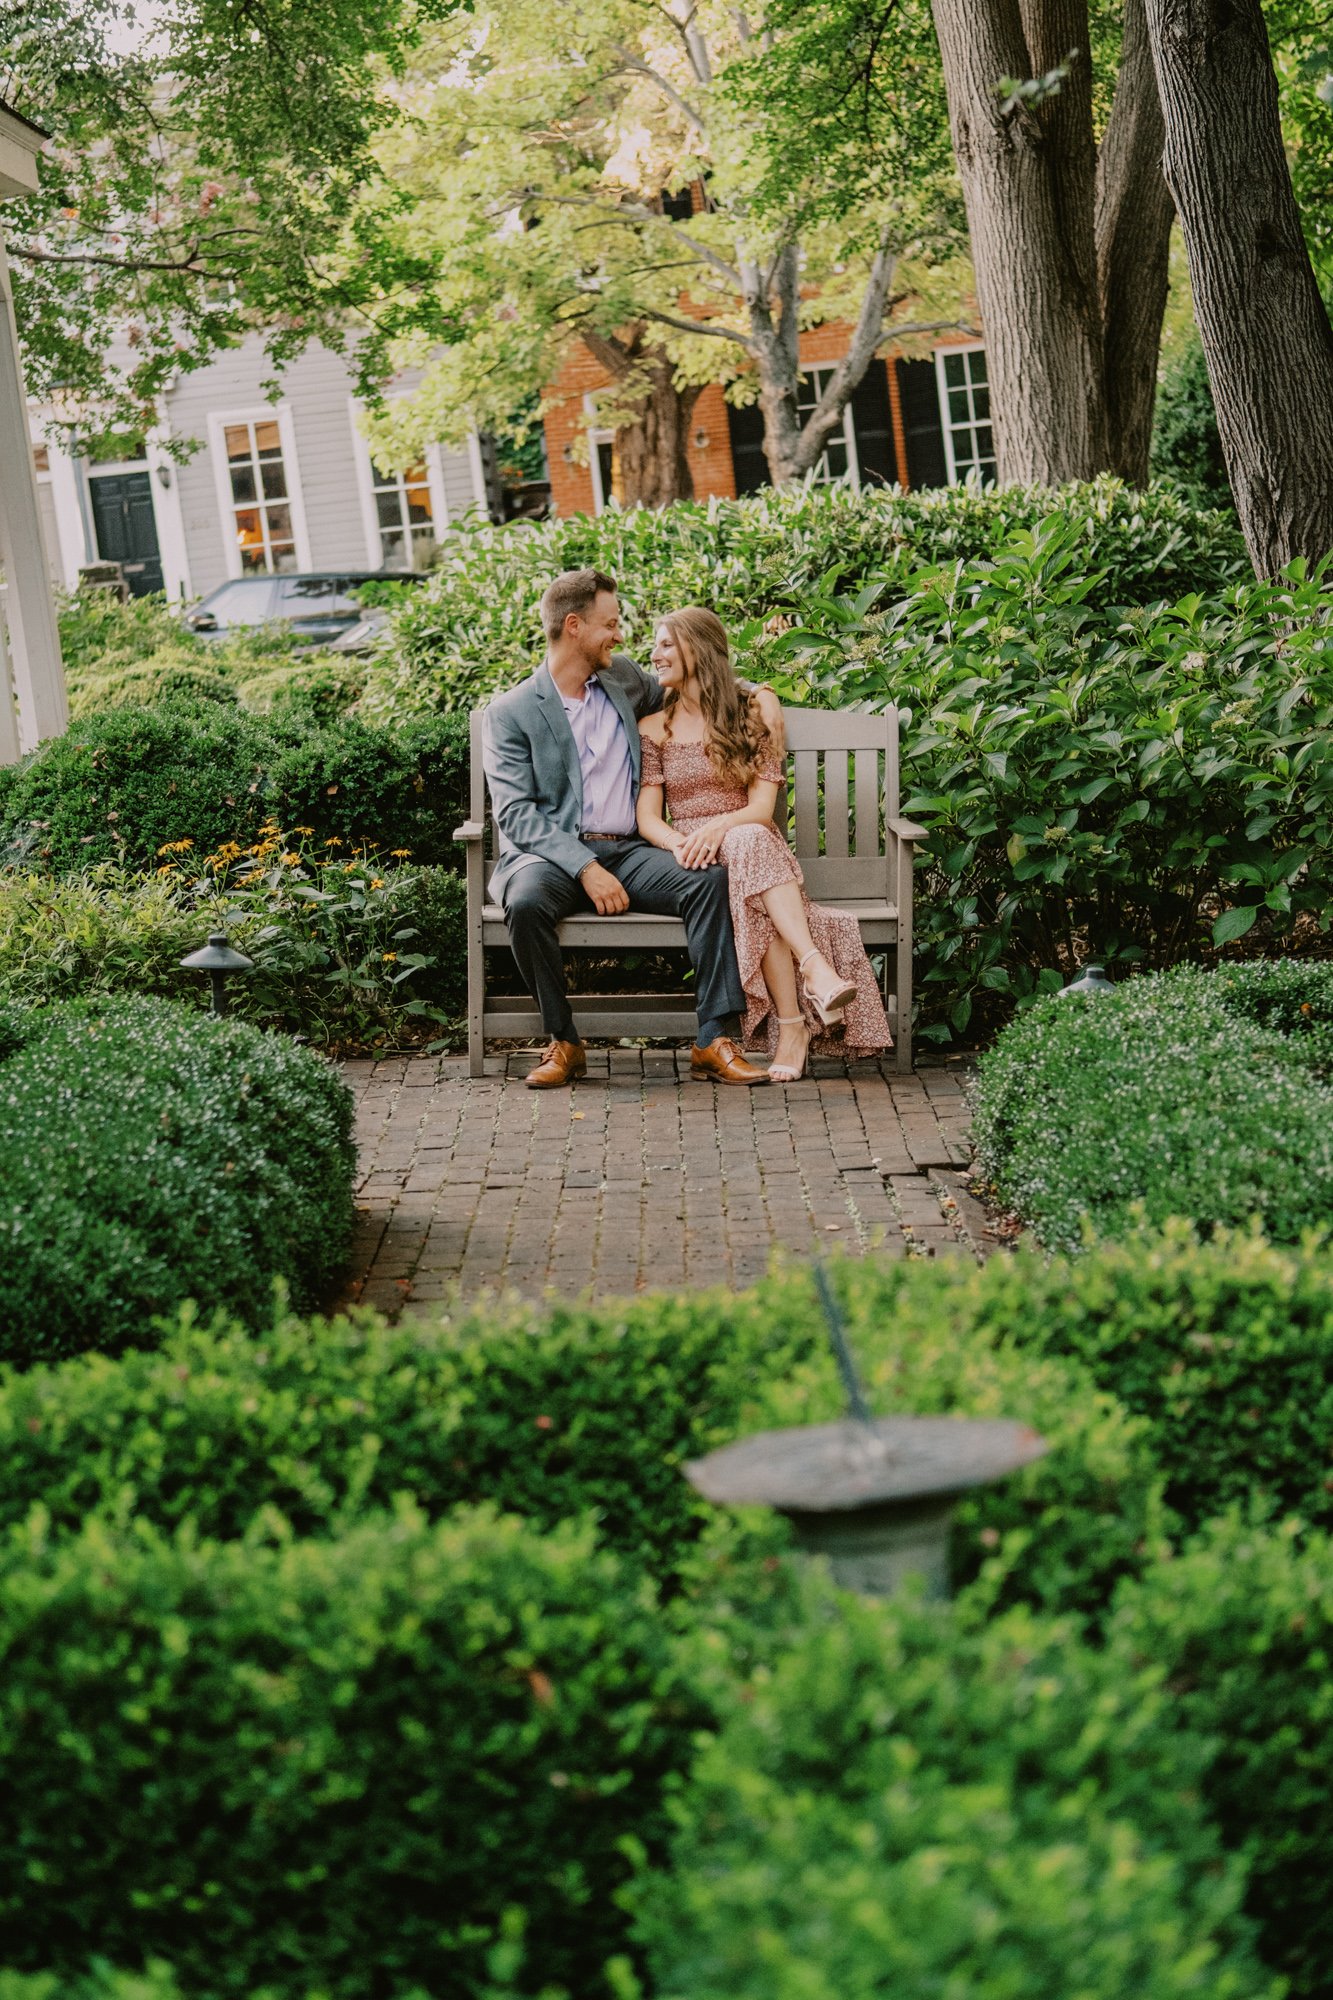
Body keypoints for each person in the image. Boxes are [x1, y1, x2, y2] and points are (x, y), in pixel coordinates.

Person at [482, 568, 769, 1088]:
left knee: (706, 881)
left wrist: (752, 692)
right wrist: (584, 866)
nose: (620, 634)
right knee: (523, 904)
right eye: (610, 624)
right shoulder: (511, 712)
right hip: (552, 858)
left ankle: (714, 1038)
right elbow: (516, 815)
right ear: (574, 626)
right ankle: (563, 1041)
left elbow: (699, 683)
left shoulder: (624, 679)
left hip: (630, 851)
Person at [636, 606, 893, 1083]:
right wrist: (682, 843)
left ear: (699, 649)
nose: (655, 655)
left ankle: (794, 1026)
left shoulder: (752, 715)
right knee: (754, 868)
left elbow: (759, 808)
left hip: (749, 843)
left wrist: (720, 827)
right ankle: (813, 972)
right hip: (697, 860)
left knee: (752, 843)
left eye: (666, 644)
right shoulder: (653, 728)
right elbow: (648, 817)